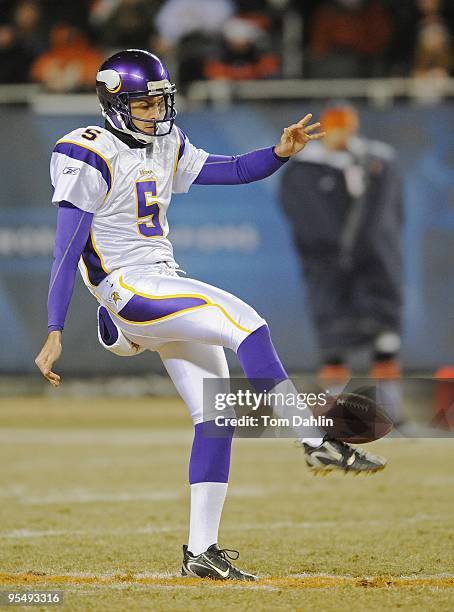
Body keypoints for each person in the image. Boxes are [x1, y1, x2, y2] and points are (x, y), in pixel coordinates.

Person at [35, 50, 386, 581]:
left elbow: (231, 169)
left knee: (216, 419)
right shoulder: (89, 152)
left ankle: (202, 552)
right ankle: (312, 439)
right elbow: (67, 249)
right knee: (246, 322)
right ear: (113, 101)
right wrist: (54, 328)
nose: (156, 112)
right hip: (127, 286)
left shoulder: (163, 142)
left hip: (160, 285)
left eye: (160, 101)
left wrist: (279, 152)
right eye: (145, 103)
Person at [279, 103, 403, 421]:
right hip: (327, 266)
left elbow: (393, 215)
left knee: (385, 334)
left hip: (375, 263)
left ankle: (390, 410)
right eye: (336, 127)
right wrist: (334, 251)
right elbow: (306, 221)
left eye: (347, 126)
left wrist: (375, 247)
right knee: (333, 338)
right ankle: (335, 410)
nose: (343, 134)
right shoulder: (304, 169)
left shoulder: (377, 162)